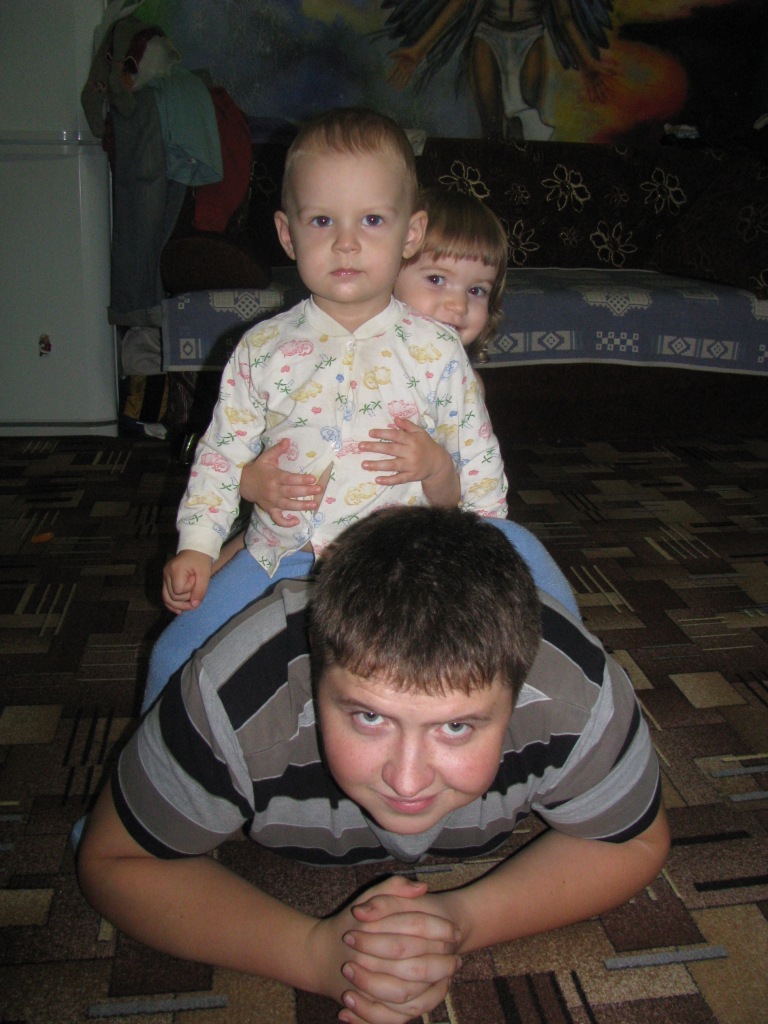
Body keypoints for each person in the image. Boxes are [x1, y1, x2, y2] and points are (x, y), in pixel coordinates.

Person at [77, 506, 670, 1024]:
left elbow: (635, 839)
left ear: (521, 692)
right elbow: (113, 860)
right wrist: (311, 953)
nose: (406, 780)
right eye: (368, 717)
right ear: (315, 666)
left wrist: (459, 921)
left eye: (456, 727)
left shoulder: (574, 689)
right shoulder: (234, 693)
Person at [143, 183, 579, 712]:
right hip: (288, 543)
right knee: (182, 649)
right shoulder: (285, 347)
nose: (456, 304)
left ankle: (576, 693)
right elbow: (234, 455)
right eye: (436, 279)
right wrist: (219, 527)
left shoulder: (450, 372)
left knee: (528, 576)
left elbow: (476, 501)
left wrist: (437, 468)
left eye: (478, 290)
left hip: (402, 554)